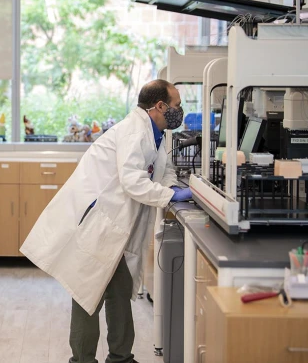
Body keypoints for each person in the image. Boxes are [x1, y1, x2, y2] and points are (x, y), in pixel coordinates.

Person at [20, 79, 192, 363]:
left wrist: (172, 187)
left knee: (119, 291)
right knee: (89, 294)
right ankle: (84, 359)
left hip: (115, 224)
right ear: (159, 106)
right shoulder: (134, 133)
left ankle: (121, 357)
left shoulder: (155, 133)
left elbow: (162, 169)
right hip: (98, 224)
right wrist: (170, 197)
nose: (179, 110)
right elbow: (133, 182)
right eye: (176, 105)